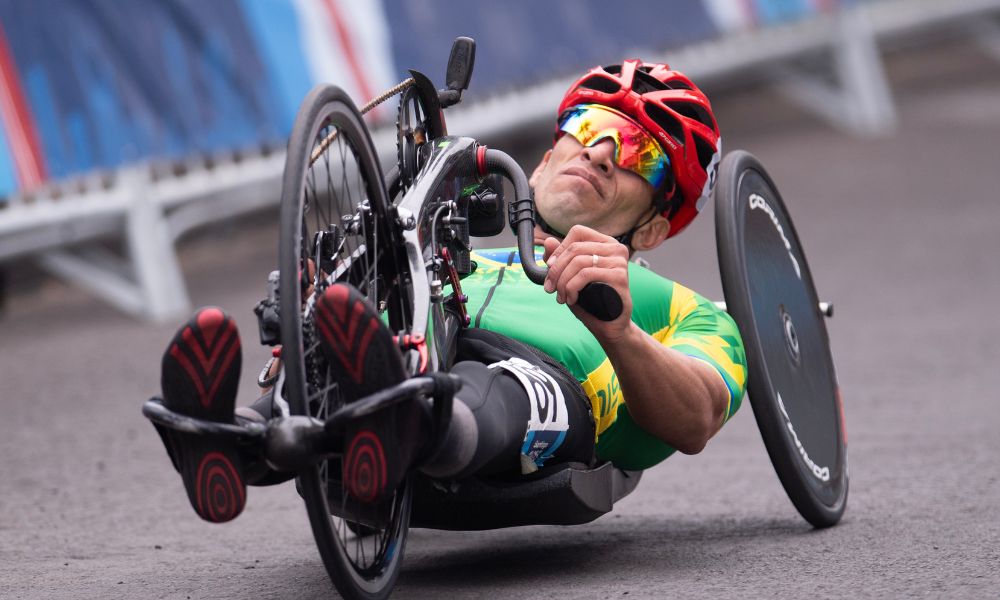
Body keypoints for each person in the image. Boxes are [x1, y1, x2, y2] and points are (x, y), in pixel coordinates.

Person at [153, 60, 747, 523]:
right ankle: (226, 441)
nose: (600, 152)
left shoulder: (679, 308)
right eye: (589, 128)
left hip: (541, 384)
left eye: (640, 153)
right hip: (401, 351)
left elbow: (697, 416)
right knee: (330, 352)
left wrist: (618, 328)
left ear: (652, 227)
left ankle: (411, 427)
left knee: (500, 384)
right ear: (543, 161)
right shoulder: (431, 245)